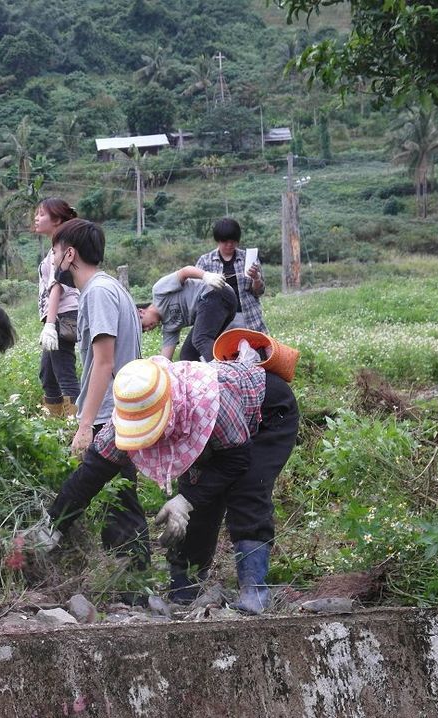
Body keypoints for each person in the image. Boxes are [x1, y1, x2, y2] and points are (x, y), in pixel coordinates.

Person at [34, 343, 299, 615]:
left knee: (246, 492)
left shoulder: (206, 401)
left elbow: (236, 458)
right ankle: (184, 594)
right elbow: (92, 471)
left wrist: (185, 500)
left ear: (167, 414)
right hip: (219, 438)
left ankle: (254, 592)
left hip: (267, 414)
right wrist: (55, 523)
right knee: (196, 504)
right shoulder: (127, 416)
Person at [29, 218, 150, 565]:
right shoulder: (111, 288)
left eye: (54, 253)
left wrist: (84, 424)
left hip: (111, 413)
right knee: (120, 496)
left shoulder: (97, 293)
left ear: (69, 254)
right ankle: (132, 580)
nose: (52, 263)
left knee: (89, 485)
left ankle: (42, 541)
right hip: (122, 410)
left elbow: (102, 362)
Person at [34, 198, 81, 418]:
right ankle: (55, 421)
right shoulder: (56, 247)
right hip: (58, 315)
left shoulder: (61, 247)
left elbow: (57, 286)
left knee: (64, 373)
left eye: (41, 214)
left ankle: (76, 428)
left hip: (63, 315)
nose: (36, 218)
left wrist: (51, 325)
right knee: (48, 374)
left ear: (58, 220)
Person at [137, 265, 237, 362]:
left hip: (216, 291)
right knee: (187, 354)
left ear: (141, 311)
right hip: (222, 309)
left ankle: (224, 373)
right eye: (145, 331)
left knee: (200, 339)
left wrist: (206, 276)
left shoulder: (159, 292)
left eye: (143, 326)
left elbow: (185, 271)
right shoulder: (169, 328)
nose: (147, 329)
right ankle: (205, 376)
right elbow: (164, 361)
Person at [195, 218, 267, 333]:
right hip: (217, 318)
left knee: (252, 349)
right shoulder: (205, 261)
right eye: (225, 242)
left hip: (246, 317)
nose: (229, 245)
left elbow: (259, 292)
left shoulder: (248, 258)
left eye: (233, 241)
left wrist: (256, 278)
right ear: (218, 240)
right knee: (220, 349)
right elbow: (196, 292)